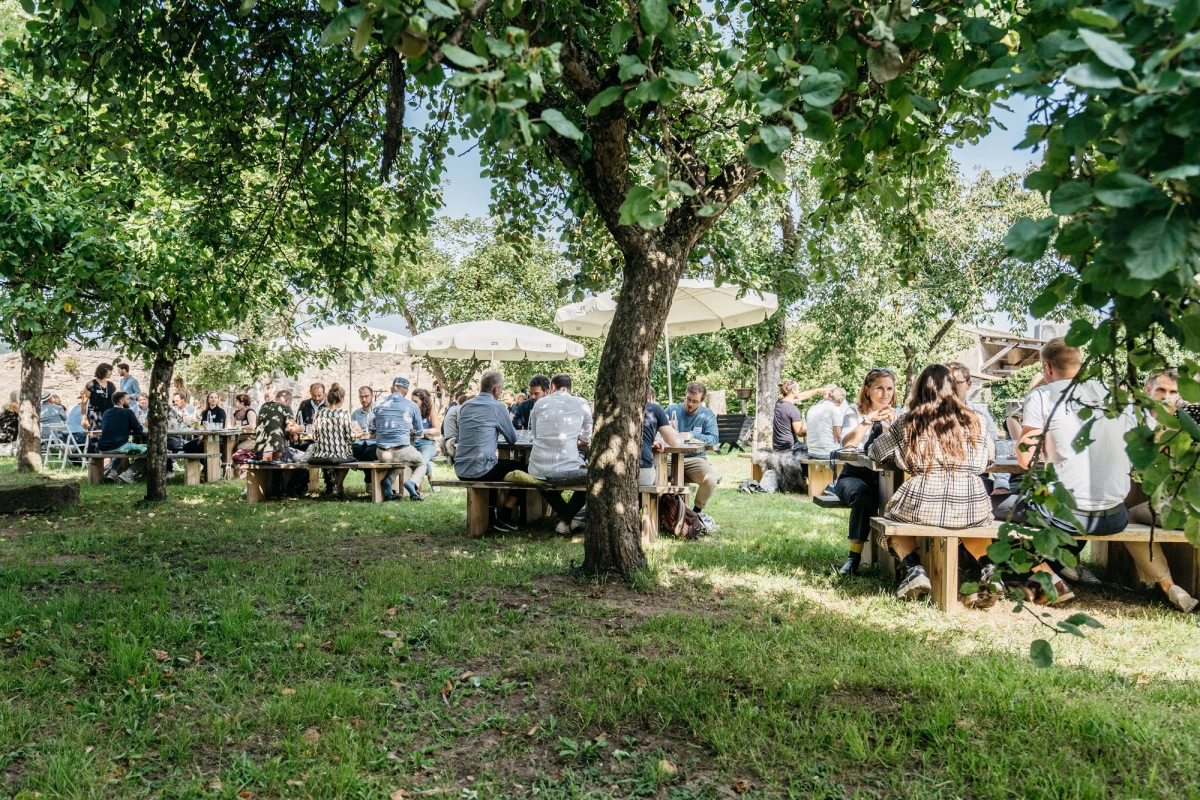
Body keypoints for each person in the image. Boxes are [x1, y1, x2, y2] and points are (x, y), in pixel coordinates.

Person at [1000, 338, 1139, 605]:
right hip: (1115, 516)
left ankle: (1041, 575)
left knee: (992, 504)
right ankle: (1048, 571)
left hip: (1066, 517)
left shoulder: (1042, 395)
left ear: (1047, 367)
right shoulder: (1118, 396)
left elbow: (1025, 461)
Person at [868, 364, 995, 600]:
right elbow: (990, 457)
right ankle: (989, 569)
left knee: (891, 519)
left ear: (920, 390)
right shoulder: (977, 419)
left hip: (923, 499)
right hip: (971, 501)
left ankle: (914, 569)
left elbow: (874, 451)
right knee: (973, 523)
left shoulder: (909, 421)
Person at [1123, 369, 1198, 612]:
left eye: (1173, 392)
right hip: (1162, 493)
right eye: (1161, 390)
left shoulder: (1184, 420)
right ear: (1148, 391)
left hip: (1176, 500)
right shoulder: (1132, 416)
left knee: (1129, 517)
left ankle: (1165, 585)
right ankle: (1162, 585)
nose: (1167, 396)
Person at [833, 367, 898, 575]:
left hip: (887, 478)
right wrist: (869, 420)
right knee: (863, 495)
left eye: (889, 388)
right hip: (854, 475)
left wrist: (894, 424)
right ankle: (854, 558)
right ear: (867, 390)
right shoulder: (854, 412)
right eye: (879, 388)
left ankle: (905, 560)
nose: (885, 394)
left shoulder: (899, 414)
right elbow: (847, 444)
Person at [455, 371, 522, 530]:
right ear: (496, 390)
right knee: (523, 470)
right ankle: (505, 516)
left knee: (493, 465)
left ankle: (491, 516)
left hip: (461, 467)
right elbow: (512, 438)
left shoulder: (466, 405)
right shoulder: (498, 407)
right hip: (481, 468)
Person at [528, 374, 593, 533]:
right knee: (592, 480)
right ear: (570, 388)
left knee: (543, 480)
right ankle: (569, 519)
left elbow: (535, 434)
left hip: (537, 468)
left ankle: (566, 519)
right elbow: (586, 438)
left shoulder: (540, 403)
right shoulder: (582, 403)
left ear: (552, 388)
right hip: (566, 468)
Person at [945, 361, 1008, 498]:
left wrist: (1001, 484)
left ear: (969, 384)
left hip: (976, 480)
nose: (952, 388)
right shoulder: (930, 416)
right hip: (943, 483)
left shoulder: (980, 414)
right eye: (947, 383)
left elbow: (998, 447)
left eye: (957, 383)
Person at [665, 381, 721, 516]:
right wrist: (666, 428)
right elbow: (654, 430)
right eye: (688, 399)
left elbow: (714, 439)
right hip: (669, 457)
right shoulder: (672, 410)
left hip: (695, 458)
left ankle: (695, 513)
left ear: (701, 401)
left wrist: (692, 435)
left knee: (711, 480)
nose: (690, 404)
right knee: (652, 476)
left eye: (695, 401)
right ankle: (663, 511)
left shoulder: (707, 415)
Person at [370, 377, 426, 501]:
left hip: (381, 453)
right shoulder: (412, 406)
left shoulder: (378, 403)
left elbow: (371, 429)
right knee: (421, 463)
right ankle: (412, 483)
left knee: (402, 461)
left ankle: (388, 482)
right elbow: (419, 432)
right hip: (400, 450)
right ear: (406, 391)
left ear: (392, 389)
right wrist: (409, 429)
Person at [307, 383, 356, 498]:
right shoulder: (344, 414)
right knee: (346, 457)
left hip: (320, 453)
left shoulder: (319, 413)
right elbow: (350, 437)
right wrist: (355, 434)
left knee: (333, 455)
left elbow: (314, 437)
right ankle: (338, 487)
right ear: (342, 399)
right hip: (340, 453)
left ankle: (334, 487)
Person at [97, 391, 144, 483]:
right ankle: (128, 474)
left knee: (120, 449)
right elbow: (139, 430)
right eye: (127, 399)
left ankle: (113, 473)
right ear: (122, 402)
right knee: (150, 450)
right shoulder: (128, 412)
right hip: (119, 446)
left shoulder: (106, 412)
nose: (129, 401)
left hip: (102, 447)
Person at [772, 380, 831, 452]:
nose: (799, 391)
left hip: (777, 446)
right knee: (815, 448)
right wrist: (816, 430)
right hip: (790, 447)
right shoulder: (793, 409)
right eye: (798, 389)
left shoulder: (779, 403)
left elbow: (801, 396)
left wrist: (818, 390)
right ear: (793, 390)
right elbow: (800, 433)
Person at [641, 389, 681, 487]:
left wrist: (651, 440)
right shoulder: (654, 408)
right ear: (650, 398)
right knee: (658, 474)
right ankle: (661, 501)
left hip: (611, 470)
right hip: (642, 470)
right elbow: (673, 441)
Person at [254, 390, 303, 459]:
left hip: (259, 451)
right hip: (275, 451)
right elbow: (292, 428)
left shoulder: (264, 406)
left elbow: (271, 428)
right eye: (290, 403)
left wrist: (288, 433)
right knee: (305, 457)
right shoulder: (285, 407)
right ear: (287, 400)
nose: (290, 405)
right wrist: (302, 427)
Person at [805, 385, 849, 460]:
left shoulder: (812, 408)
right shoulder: (835, 410)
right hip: (827, 453)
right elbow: (838, 436)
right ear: (841, 402)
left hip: (811, 452)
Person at [411, 387, 440, 489]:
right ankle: (429, 476)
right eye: (412, 401)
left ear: (423, 401)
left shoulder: (430, 411)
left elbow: (437, 430)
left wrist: (421, 431)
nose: (413, 404)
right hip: (412, 442)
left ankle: (418, 483)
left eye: (416, 401)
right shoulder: (411, 412)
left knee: (422, 460)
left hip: (427, 443)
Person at [82, 363, 117, 435]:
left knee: (110, 436)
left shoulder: (111, 385)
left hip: (109, 414)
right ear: (103, 371)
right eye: (110, 371)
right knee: (95, 437)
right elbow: (83, 402)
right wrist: (84, 417)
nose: (111, 373)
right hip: (95, 415)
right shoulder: (91, 385)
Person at [440, 392, 470, 462]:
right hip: (453, 436)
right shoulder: (460, 409)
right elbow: (460, 424)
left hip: (447, 435)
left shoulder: (452, 407)